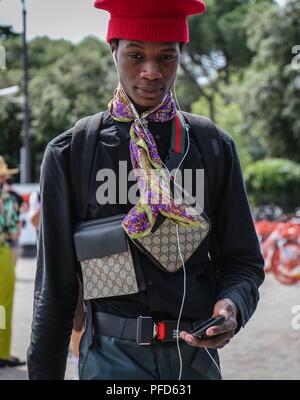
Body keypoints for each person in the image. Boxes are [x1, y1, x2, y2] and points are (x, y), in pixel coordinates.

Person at [27, 0, 265, 380]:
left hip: (193, 361)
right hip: (109, 361)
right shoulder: (72, 151)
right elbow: (54, 289)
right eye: (135, 55)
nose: (151, 72)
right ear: (113, 50)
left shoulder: (212, 145)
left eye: (166, 57)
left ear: (182, 55)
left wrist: (234, 305)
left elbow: (244, 262)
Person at [0, 156, 25, 368]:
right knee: (2, 305)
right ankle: (2, 353)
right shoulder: (7, 198)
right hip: (1, 251)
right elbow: (13, 227)